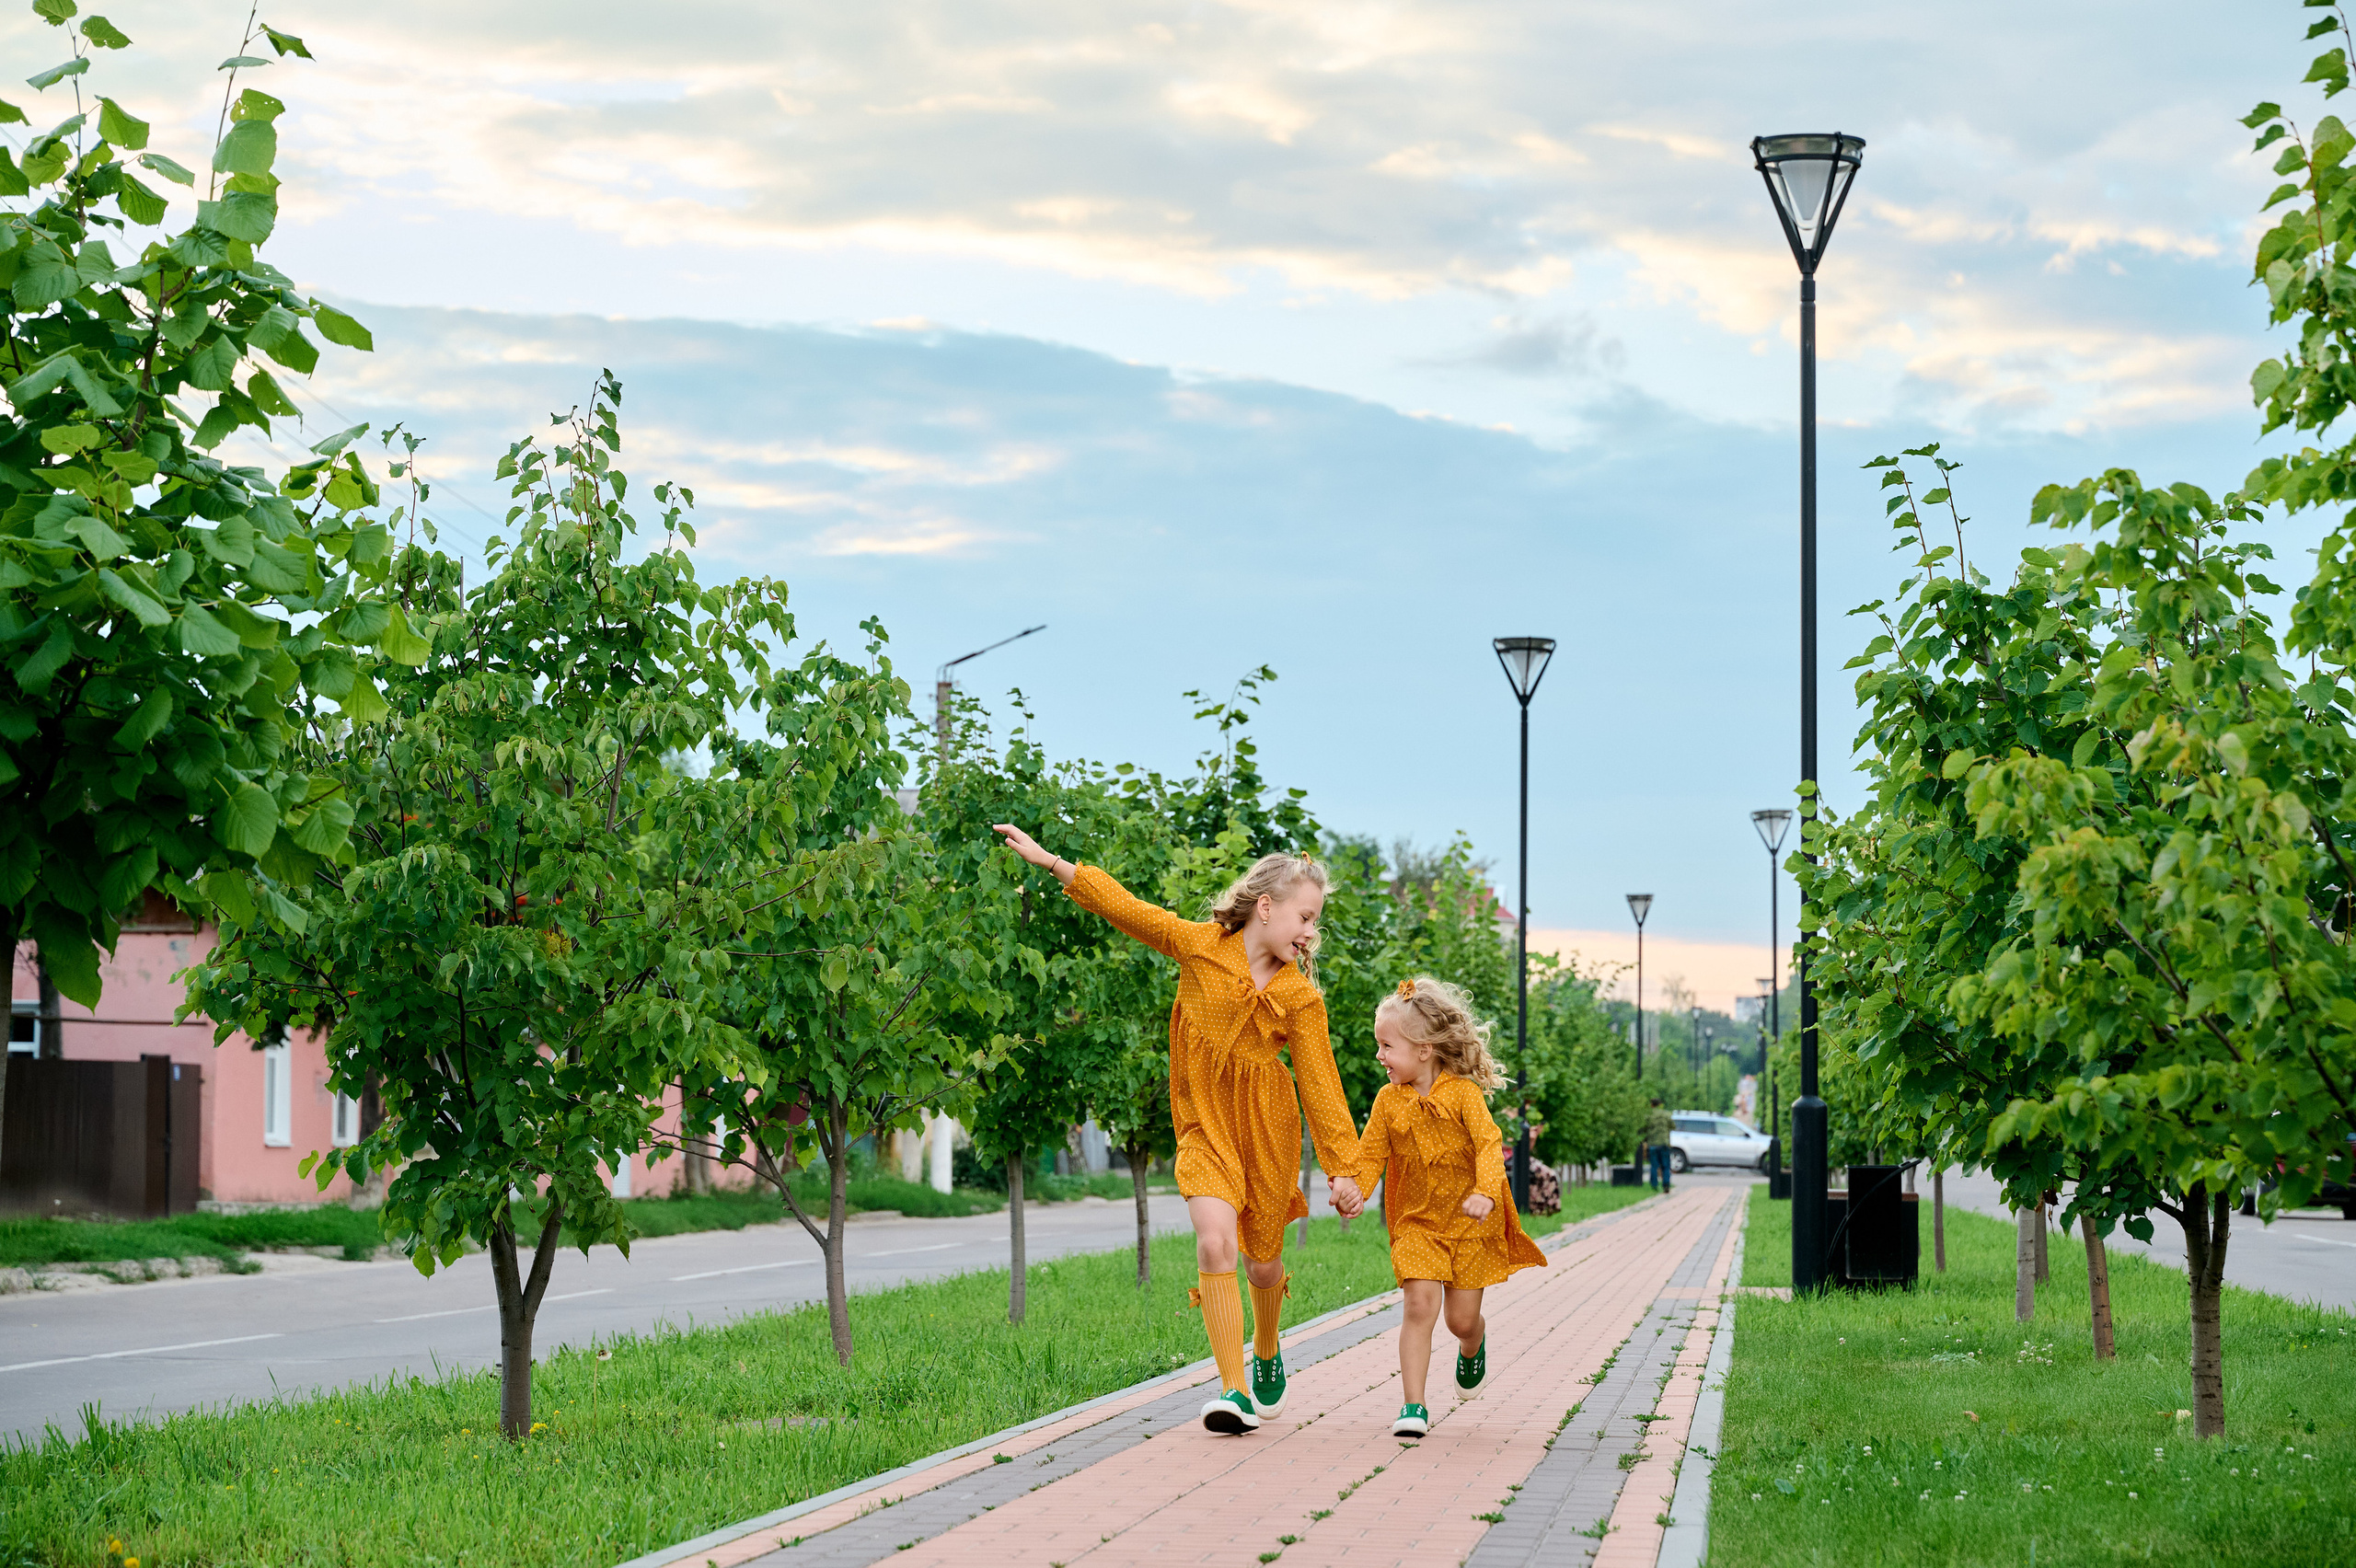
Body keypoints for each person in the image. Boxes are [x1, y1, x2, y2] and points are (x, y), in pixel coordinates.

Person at [991, 826, 1365, 1435]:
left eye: (1315, 921)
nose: (1310, 932)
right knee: (1215, 1243)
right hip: (1204, 1127)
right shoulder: (1198, 946)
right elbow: (1130, 909)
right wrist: (1053, 861)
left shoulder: (1300, 997)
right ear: (1265, 907)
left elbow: (1322, 1086)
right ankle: (1234, 1390)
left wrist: (1345, 1171)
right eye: (1304, 916)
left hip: (1266, 1134)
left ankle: (1267, 1345)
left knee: (1263, 1264)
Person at [1350, 976, 1546, 1438]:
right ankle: (1413, 1406)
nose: (1379, 1056)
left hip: (1469, 1222)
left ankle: (1473, 1344)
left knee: (1459, 1319)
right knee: (1419, 1305)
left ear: (1423, 1049)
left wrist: (1484, 1190)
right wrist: (1354, 1188)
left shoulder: (1463, 1094)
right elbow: (1370, 1155)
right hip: (1418, 1222)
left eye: (1386, 1045)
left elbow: (1487, 1143)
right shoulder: (1387, 1100)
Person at [1644, 1097, 1674, 1192]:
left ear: (1651, 1105)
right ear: (1660, 1104)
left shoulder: (1649, 1115)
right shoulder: (1666, 1114)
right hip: (1664, 1143)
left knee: (1654, 1165)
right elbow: (1673, 1126)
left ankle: (1654, 1185)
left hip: (1652, 1143)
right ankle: (1666, 1184)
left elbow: (1645, 1128)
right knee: (1665, 1165)